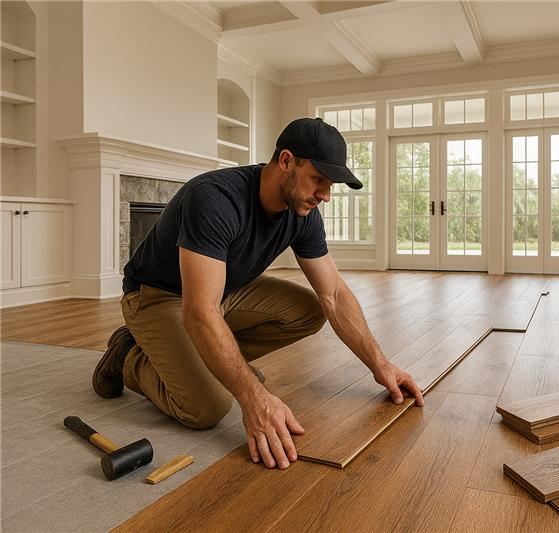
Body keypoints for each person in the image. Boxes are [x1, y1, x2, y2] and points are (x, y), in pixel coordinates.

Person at [92, 117, 424, 470]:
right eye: (319, 180)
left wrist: (381, 364)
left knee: (309, 310)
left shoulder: (303, 212)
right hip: (158, 295)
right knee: (208, 407)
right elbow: (199, 311)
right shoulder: (215, 198)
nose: (325, 196)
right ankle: (130, 355)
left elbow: (335, 295)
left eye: (330, 185)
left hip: (225, 291)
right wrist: (252, 397)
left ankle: (204, 362)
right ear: (285, 161)